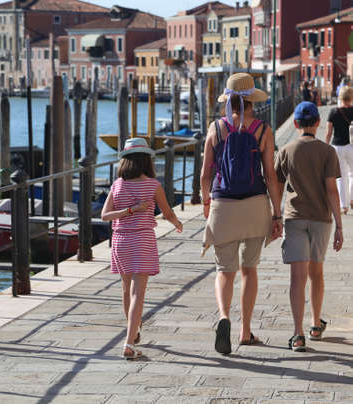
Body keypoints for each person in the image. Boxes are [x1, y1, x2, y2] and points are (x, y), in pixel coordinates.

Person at [200, 73, 283, 355]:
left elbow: (204, 174)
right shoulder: (263, 130)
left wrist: (206, 203)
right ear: (252, 102)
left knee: (225, 271)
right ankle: (245, 331)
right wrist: (277, 213)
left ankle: (224, 317)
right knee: (249, 270)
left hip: (223, 205)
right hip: (255, 204)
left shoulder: (216, 128)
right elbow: (270, 175)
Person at [101, 137, 183, 359]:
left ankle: (134, 330)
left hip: (120, 240)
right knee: (139, 292)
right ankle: (128, 343)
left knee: (126, 290)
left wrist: (127, 211)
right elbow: (167, 212)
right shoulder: (153, 185)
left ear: (125, 161)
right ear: (146, 160)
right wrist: (177, 224)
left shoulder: (117, 185)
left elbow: (104, 215)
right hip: (142, 240)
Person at [275, 101, 343, 352]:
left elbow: (277, 185)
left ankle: (298, 334)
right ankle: (315, 324)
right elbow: (332, 191)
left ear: (295, 124)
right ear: (317, 123)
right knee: (317, 273)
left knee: (297, 277)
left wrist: (274, 216)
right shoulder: (327, 152)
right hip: (321, 219)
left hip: (294, 217)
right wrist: (340, 226)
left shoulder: (286, 150)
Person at [325, 86, 353, 214]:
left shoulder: (334, 112)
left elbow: (329, 132)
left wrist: (325, 146)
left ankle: (344, 206)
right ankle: (352, 199)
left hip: (337, 147)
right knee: (352, 174)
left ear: (340, 97)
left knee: (341, 177)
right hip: (351, 146)